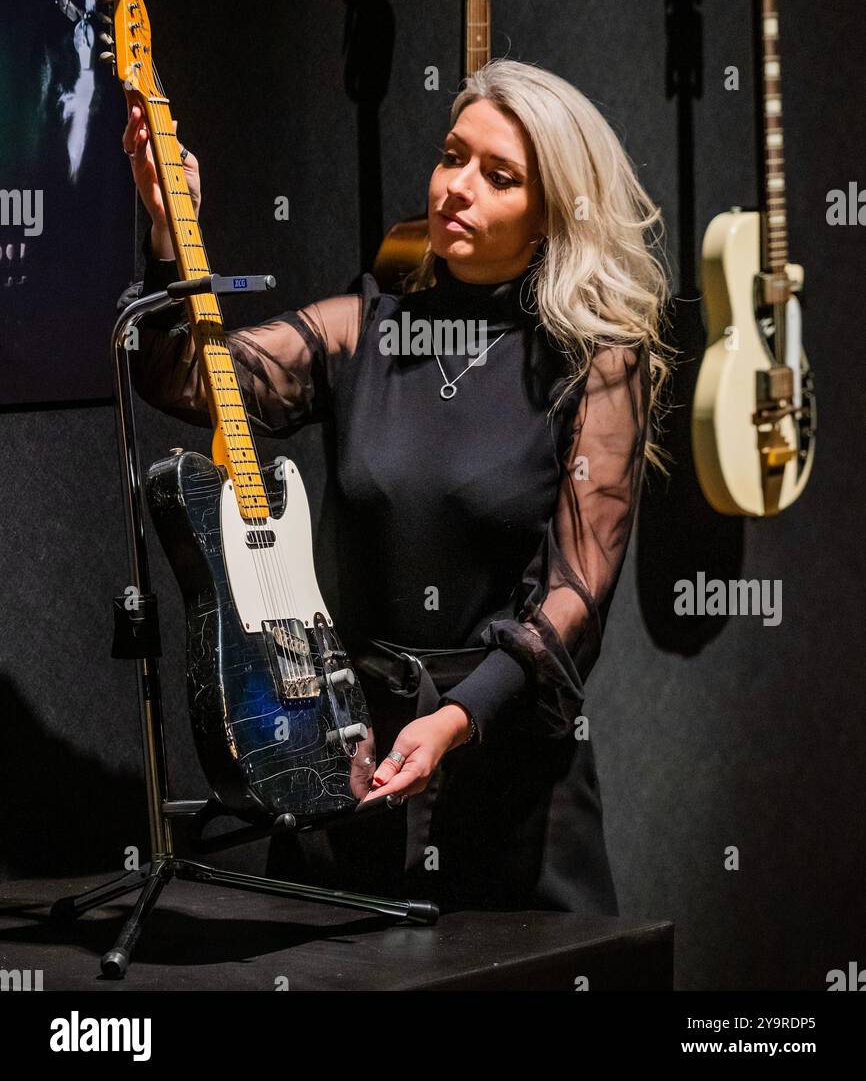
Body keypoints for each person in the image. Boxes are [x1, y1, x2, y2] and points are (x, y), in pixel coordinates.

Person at [121, 58, 672, 914]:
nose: (457, 187)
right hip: (353, 761)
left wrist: (457, 718)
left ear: (551, 215)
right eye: (453, 156)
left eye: (499, 177)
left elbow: (574, 595)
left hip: (505, 776)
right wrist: (167, 229)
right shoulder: (366, 326)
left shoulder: (597, 368)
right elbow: (182, 376)